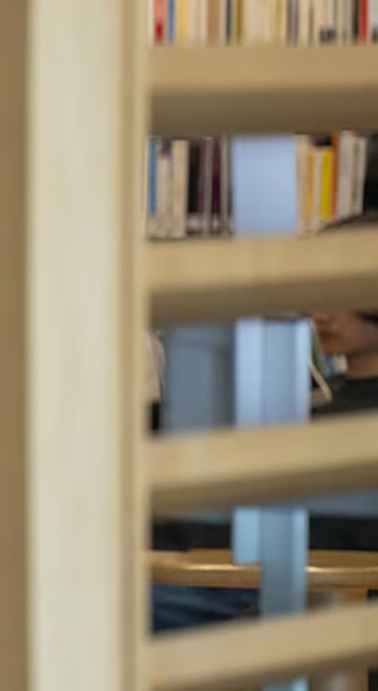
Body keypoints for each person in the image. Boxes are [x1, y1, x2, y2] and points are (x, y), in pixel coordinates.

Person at [151, 208, 378, 654]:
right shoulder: (323, 395)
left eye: (342, 291)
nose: (322, 312)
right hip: (223, 569)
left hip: (272, 590)